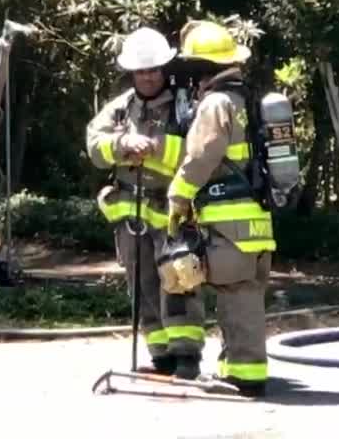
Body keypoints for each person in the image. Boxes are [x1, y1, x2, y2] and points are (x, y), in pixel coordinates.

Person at [85, 27, 205, 379]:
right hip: (132, 215)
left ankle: (187, 356)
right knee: (143, 288)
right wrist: (121, 146)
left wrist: (153, 146)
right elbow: (94, 147)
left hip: (173, 213)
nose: (148, 76)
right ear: (132, 73)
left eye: (153, 69)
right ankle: (161, 355)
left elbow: (200, 152)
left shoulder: (186, 107)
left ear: (164, 68)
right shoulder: (120, 109)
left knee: (180, 282)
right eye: (141, 71)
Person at [166, 20, 274, 398]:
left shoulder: (215, 103)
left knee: (235, 294)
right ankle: (235, 367)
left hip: (229, 222)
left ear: (202, 67)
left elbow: (201, 156)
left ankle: (246, 374)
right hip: (256, 222)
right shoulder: (247, 99)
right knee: (246, 294)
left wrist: (178, 197)